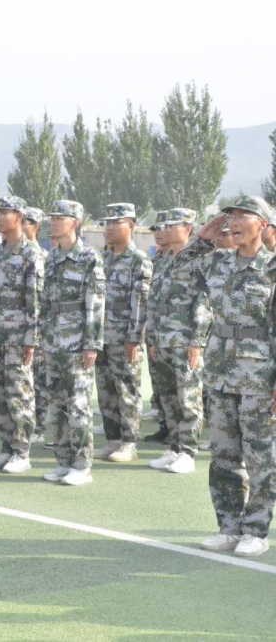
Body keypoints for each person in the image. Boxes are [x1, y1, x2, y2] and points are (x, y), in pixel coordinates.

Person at [195, 196, 276, 557]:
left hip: (259, 375)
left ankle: (256, 530)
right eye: (232, 216)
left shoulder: (272, 268)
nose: (236, 221)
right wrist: (201, 239)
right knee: (224, 455)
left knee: (260, 456)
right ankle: (229, 527)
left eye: (245, 216)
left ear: (263, 225)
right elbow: (179, 273)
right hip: (220, 371)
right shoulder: (217, 262)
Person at [0, 196, 44, 474]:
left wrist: (32, 338)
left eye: (5, 213)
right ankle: (6, 447)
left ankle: (22, 451)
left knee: (19, 393)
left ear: (19, 217)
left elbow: (35, 300)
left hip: (17, 335)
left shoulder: (30, 253)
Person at [40, 200, 105, 486]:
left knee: (78, 405)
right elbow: (44, 302)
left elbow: (95, 303)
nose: (54, 222)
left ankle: (82, 465)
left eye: (61, 218)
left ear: (75, 223)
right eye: (53, 218)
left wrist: (92, 343)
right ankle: (64, 461)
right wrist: (42, 337)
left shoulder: (89, 257)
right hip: (53, 341)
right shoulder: (51, 257)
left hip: (77, 341)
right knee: (57, 405)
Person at [146, 208, 209, 474]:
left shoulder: (199, 261)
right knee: (168, 398)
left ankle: (188, 452)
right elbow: (153, 301)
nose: (167, 229)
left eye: (173, 225)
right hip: (162, 339)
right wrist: (151, 337)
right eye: (166, 225)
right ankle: (174, 447)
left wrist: (197, 341)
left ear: (188, 229)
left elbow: (204, 301)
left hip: (184, 340)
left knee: (188, 398)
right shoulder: (162, 260)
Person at [93, 203, 152, 463]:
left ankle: (129, 443)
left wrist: (133, 337)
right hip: (101, 336)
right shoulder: (103, 258)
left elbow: (140, 302)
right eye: (106, 223)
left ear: (130, 225)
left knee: (127, 390)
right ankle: (113, 440)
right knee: (105, 391)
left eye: (115, 223)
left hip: (124, 336)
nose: (108, 228)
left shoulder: (138, 259)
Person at [144, 211, 172, 443]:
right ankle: (165, 423)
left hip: (176, 332)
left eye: (164, 229)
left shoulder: (184, 261)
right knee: (159, 380)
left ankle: (179, 434)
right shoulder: (155, 262)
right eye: (156, 229)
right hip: (155, 330)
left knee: (178, 387)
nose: (159, 234)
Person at [22, 206, 49, 444]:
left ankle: (39, 427)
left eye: (26, 222)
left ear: (36, 227)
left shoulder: (43, 257)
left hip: (38, 329)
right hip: (16, 329)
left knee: (38, 381)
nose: (21, 225)